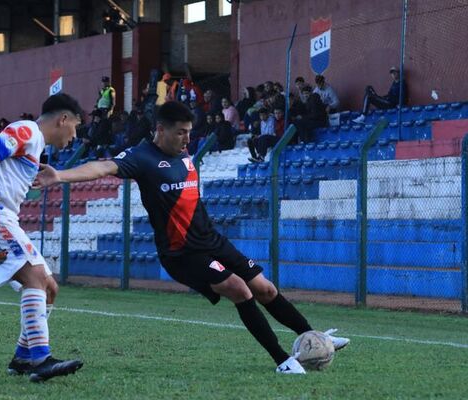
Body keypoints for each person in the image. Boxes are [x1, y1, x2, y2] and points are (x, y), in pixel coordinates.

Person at [33, 101, 350, 375]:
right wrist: (60, 175)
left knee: (265, 289)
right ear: (161, 129)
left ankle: (314, 338)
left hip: (212, 240)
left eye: (189, 131)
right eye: (181, 132)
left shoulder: (184, 154)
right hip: (181, 253)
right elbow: (102, 167)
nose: (187, 138)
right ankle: (282, 360)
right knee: (239, 289)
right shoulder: (141, 157)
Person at [0, 93, 84, 383]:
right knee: (36, 279)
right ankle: (41, 360)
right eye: (75, 127)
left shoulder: (35, 145)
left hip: (2, 218)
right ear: (62, 119)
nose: (75, 135)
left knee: (50, 287)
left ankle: (22, 358)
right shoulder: (28, 130)